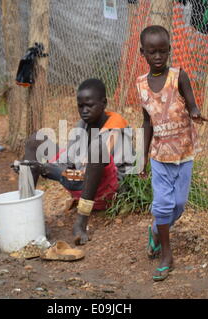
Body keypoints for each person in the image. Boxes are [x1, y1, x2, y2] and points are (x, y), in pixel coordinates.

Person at [17, 78, 134, 246]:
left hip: (106, 193)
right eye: (81, 106)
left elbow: (81, 178)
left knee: (97, 149)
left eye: (90, 106)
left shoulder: (116, 128)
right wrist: (34, 167)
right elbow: (68, 163)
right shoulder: (84, 124)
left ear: (104, 103)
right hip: (78, 182)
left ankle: (81, 223)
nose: (84, 111)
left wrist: (44, 169)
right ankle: (26, 216)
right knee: (36, 140)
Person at [137, 25, 207, 281]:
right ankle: (167, 254)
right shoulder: (141, 85)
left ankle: (156, 231)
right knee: (163, 204)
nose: (158, 57)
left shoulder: (179, 76)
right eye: (152, 52)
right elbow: (147, 122)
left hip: (184, 152)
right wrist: (142, 157)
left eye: (163, 51)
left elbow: (192, 103)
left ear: (169, 50)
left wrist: (196, 112)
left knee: (178, 205)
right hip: (159, 154)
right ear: (143, 52)